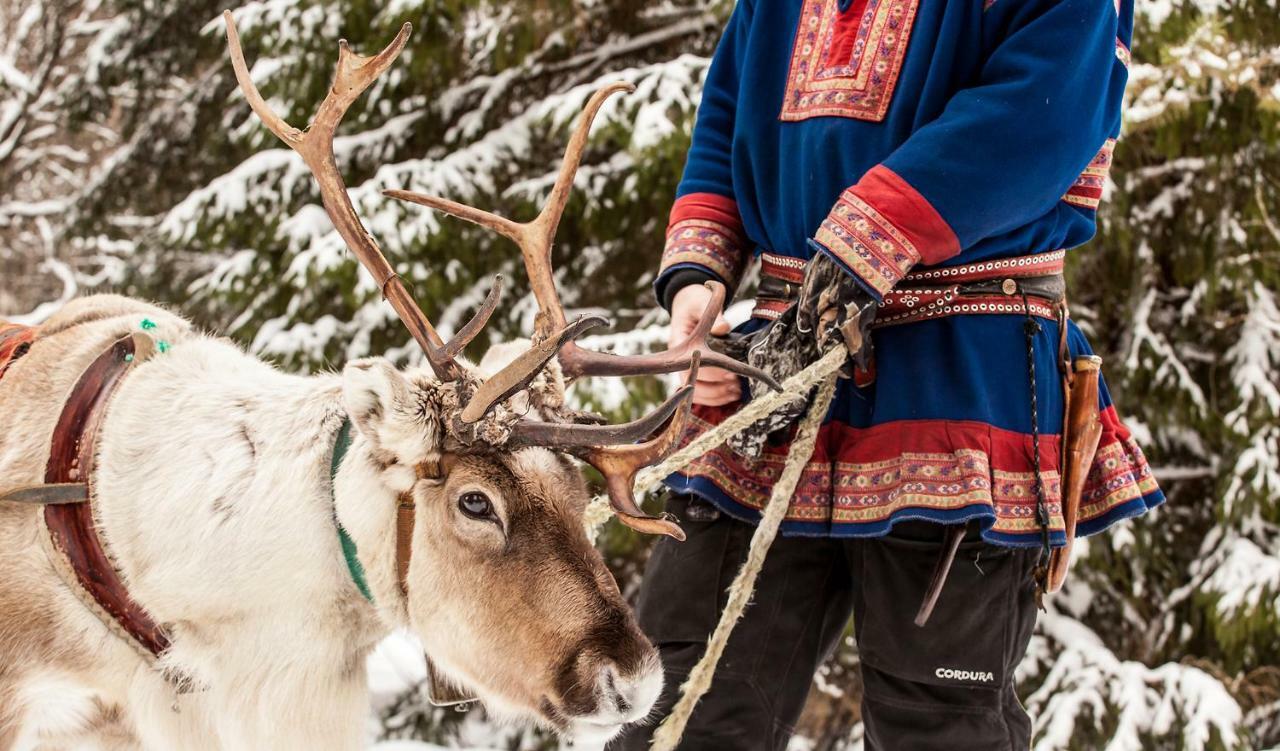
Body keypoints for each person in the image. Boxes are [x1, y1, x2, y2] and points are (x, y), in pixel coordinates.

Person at [613, 0, 1164, 749]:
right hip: (773, 375)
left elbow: (1043, 114)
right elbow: (728, 118)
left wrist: (864, 238)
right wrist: (697, 282)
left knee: (937, 724)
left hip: (960, 381)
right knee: (678, 706)